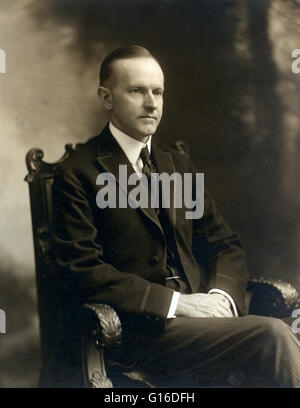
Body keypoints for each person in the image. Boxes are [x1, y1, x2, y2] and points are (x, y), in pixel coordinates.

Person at [52, 45, 300, 388]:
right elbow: (81, 270)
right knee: (273, 335)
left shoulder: (177, 165)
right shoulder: (78, 172)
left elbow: (224, 243)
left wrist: (219, 297)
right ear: (106, 98)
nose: (151, 103)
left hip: (206, 322)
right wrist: (176, 304)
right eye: (137, 91)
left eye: (158, 92)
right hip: (138, 332)